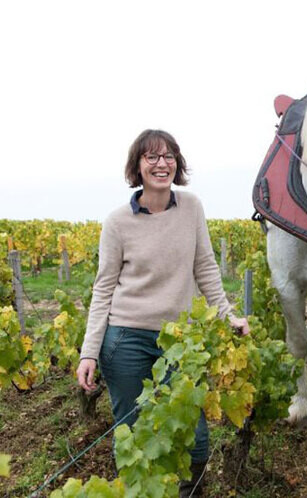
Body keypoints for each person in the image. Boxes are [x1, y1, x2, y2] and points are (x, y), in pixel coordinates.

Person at [76, 129, 250, 497]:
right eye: (151, 157)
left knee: (195, 435)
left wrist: (227, 316)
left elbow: (206, 269)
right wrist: (89, 351)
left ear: (178, 164)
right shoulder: (117, 222)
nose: (161, 164)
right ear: (137, 167)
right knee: (134, 432)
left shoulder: (192, 208)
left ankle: (189, 491)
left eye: (168, 156)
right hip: (125, 340)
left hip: (181, 342)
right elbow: (103, 287)